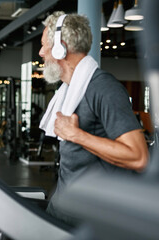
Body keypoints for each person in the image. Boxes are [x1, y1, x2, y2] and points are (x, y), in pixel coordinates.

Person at [38, 11, 148, 225]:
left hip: (90, 219)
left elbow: (139, 157)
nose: (41, 52)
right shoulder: (70, 90)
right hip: (63, 210)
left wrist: (77, 135)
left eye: (44, 45)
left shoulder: (103, 88)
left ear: (61, 47)